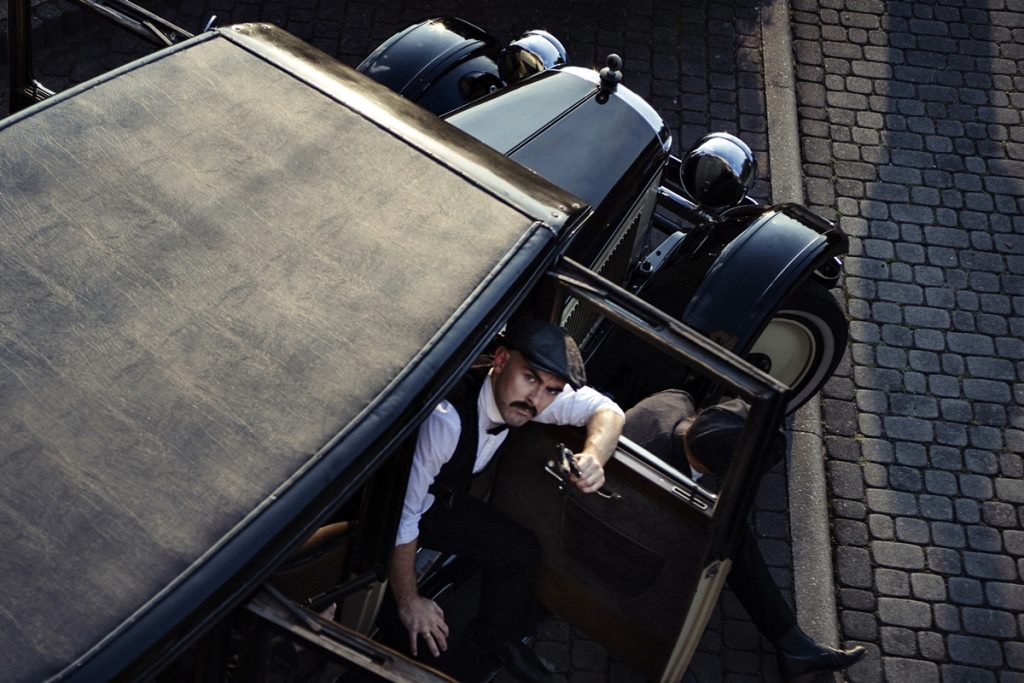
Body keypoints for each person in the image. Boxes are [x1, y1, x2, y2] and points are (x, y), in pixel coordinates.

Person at [389, 319, 624, 683]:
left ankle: (494, 638)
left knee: (521, 550)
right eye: (530, 378)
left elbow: (609, 412)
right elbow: (401, 519)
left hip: (441, 502)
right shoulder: (445, 421)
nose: (537, 400)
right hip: (385, 511)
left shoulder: (530, 399)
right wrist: (410, 601)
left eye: (551, 390)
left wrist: (594, 455)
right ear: (500, 360)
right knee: (409, 630)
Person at [623, 389, 866, 681]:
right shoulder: (666, 487)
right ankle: (668, 659)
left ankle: (795, 648)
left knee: (731, 532)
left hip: (619, 498)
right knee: (726, 536)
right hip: (621, 534)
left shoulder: (674, 402)